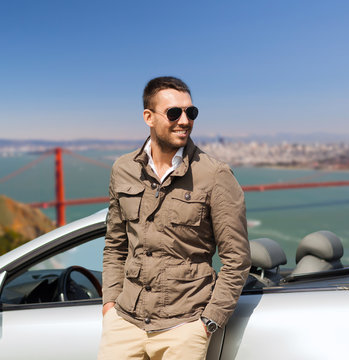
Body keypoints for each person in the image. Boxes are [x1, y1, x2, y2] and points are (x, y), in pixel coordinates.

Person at [98, 76, 250, 360]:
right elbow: (115, 245)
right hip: (124, 322)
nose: (184, 120)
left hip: (184, 326)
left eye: (190, 112)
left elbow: (236, 258)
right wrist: (110, 304)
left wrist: (207, 322)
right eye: (173, 113)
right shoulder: (123, 169)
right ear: (149, 117)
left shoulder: (215, 175)